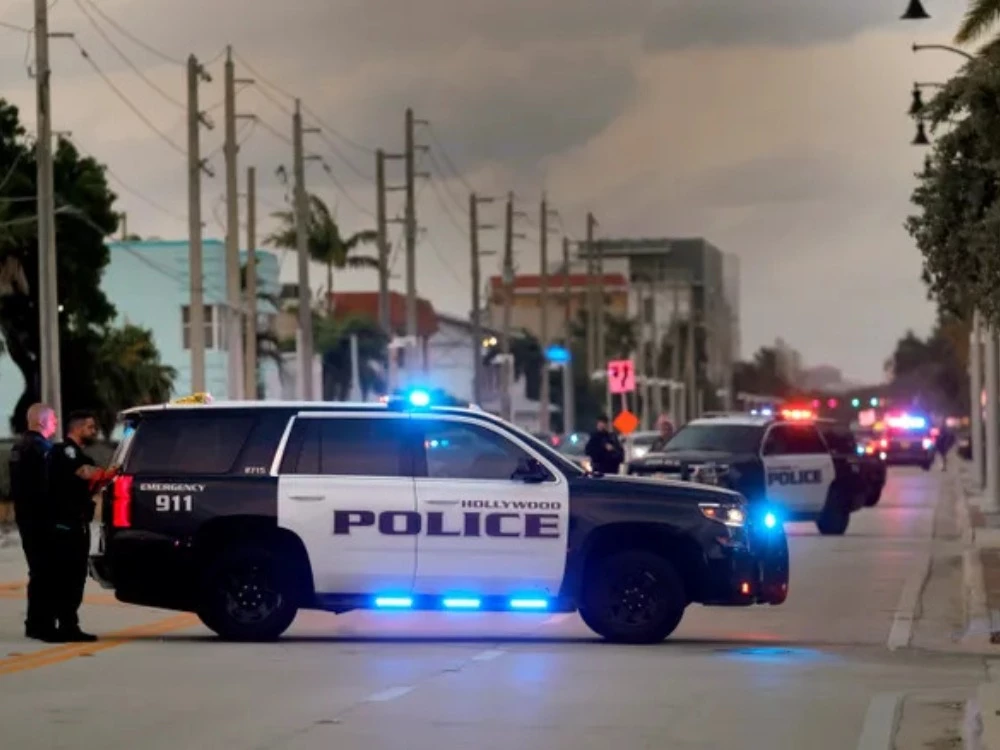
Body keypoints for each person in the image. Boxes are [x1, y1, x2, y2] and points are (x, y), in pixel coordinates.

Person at [46, 410, 112, 642]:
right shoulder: (67, 451)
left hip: (77, 522)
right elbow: (86, 474)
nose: (94, 432)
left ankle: (67, 623)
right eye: (90, 427)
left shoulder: (78, 454)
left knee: (74, 576)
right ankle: (65, 625)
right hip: (66, 525)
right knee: (68, 576)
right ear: (77, 428)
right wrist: (110, 473)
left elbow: (90, 484)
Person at [9, 403, 58, 640]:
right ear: (41, 421)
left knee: (38, 571)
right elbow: (48, 485)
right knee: (46, 573)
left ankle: (34, 622)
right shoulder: (42, 448)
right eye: (53, 419)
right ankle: (44, 625)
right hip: (42, 518)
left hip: (26, 516)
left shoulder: (18, 447)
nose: (56, 423)